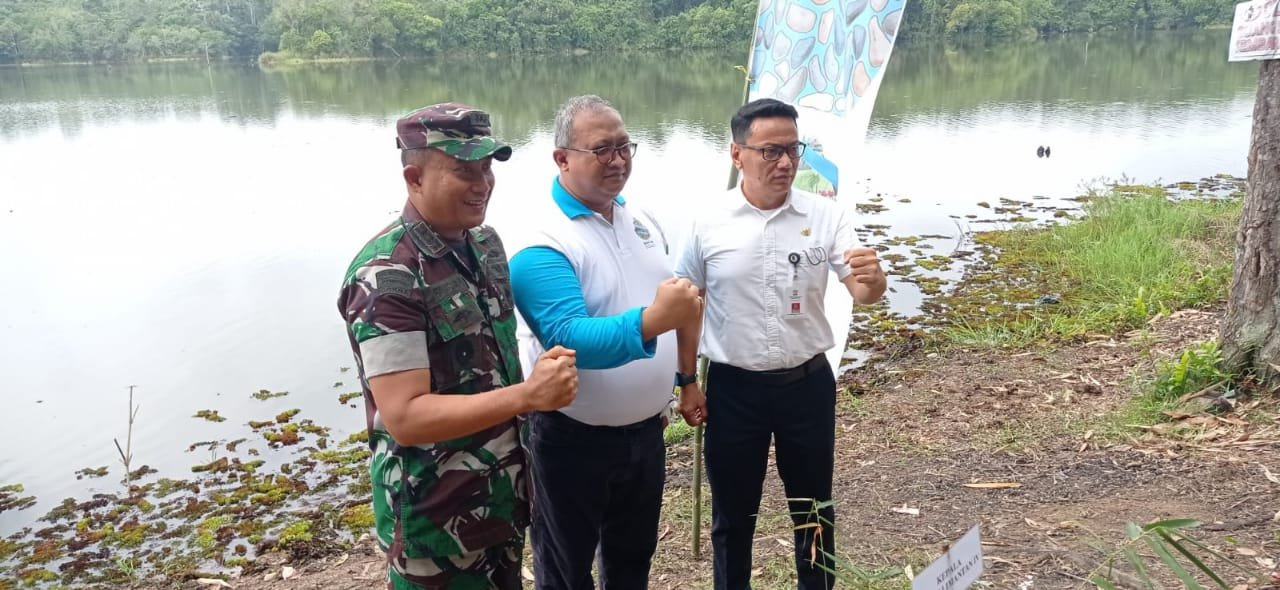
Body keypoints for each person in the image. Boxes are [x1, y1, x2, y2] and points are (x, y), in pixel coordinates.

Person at [337, 102, 580, 590]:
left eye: (487, 168)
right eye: (464, 170)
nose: (482, 183)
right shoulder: (387, 275)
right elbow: (406, 417)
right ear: (414, 178)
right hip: (436, 524)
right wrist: (529, 395)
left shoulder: (485, 246)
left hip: (502, 499)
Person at [673, 98, 887, 590]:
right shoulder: (707, 221)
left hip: (806, 385)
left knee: (814, 509)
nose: (786, 162)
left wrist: (874, 281)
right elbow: (688, 305)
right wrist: (686, 381)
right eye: (770, 151)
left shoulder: (825, 215)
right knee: (733, 515)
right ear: (737, 154)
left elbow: (862, 291)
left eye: (793, 149)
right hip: (734, 389)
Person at [507, 95, 703, 590]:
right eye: (601, 149)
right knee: (566, 570)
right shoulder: (541, 239)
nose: (618, 160)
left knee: (632, 560)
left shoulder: (640, 218)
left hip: (646, 432)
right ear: (562, 158)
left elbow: (681, 303)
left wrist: (685, 378)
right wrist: (654, 320)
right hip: (571, 438)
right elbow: (568, 337)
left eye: (624, 146)